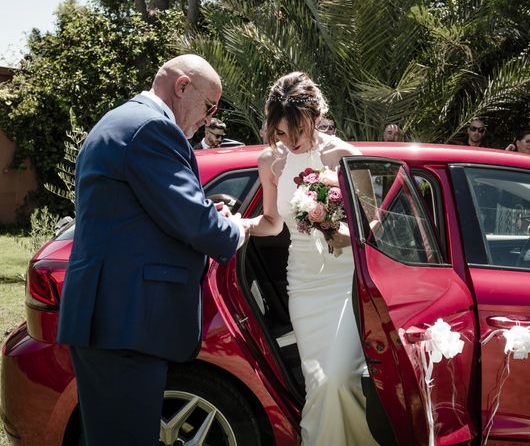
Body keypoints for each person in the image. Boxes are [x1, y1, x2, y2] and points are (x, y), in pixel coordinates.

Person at [57, 54, 251, 446]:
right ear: (182, 87)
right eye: (209, 106)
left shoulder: (123, 120)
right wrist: (234, 228)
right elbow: (196, 225)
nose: (209, 119)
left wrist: (201, 211)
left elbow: (145, 214)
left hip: (113, 319)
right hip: (126, 321)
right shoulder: (152, 129)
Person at [245, 71, 378, 445]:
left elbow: (373, 226)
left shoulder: (345, 156)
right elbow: (272, 224)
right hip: (304, 283)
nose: (288, 140)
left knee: (340, 377)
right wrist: (238, 225)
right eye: (280, 132)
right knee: (320, 380)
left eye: (296, 130)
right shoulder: (270, 161)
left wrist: (341, 233)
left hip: (345, 283)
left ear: (315, 117)